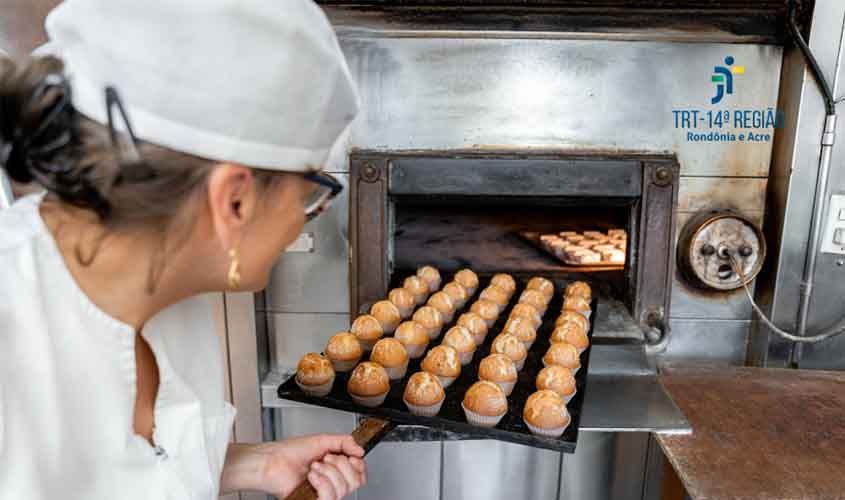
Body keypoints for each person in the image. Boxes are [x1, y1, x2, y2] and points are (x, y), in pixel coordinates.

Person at [0, 1, 366, 499]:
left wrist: (250, 464)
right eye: (310, 193)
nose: (309, 214)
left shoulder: (175, 289)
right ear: (233, 200)